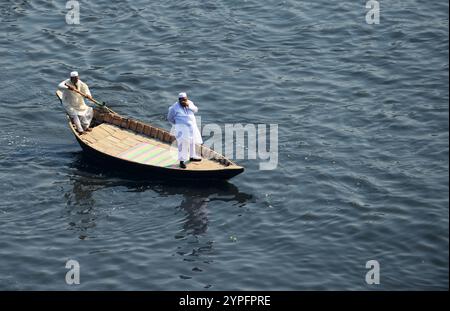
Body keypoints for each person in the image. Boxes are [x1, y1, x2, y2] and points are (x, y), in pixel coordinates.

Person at [167, 92, 203, 169]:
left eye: (185, 99)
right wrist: (177, 124)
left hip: (192, 127)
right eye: (182, 100)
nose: (184, 101)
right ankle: (181, 161)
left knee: (192, 141)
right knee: (182, 144)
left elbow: (196, 110)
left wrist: (189, 106)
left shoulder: (190, 103)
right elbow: (170, 118)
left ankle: (192, 156)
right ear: (179, 100)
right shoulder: (174, 107)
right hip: (182, 129)